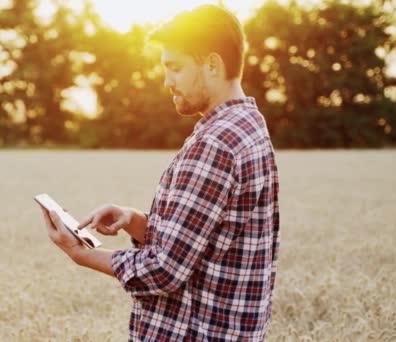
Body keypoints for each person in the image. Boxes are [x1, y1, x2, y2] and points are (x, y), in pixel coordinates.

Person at [41, 4, 280, 341]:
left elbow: (166, 270)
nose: (167, 81)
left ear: (212, 64)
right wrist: (136, 220)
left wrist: (82, 253)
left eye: (176, 68)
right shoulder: (248, 126)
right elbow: (207, 239)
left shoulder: (215, 143)